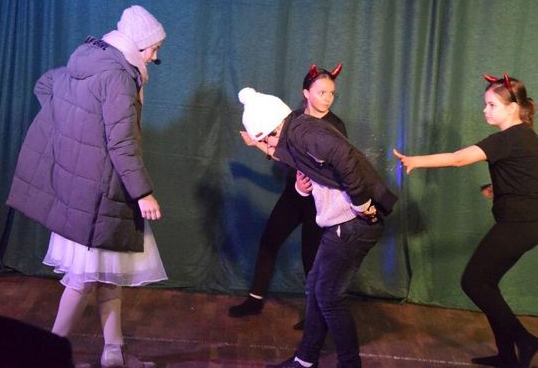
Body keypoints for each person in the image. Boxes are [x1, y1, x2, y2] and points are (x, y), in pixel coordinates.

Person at [6, 5, 168, 368]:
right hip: (100, 192)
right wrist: (143, 193)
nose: (155, 57)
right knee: (82, 278)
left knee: (108, 275)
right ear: (137, 44)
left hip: (83, 187)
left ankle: (114, 352)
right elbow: (122, 142)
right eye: (154, 49)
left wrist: (76, 126)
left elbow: (45, 84)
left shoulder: (87, 62)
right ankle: (45, 355)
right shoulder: (118, 77)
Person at [238, 84, 397, 368]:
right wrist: (301, 187)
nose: (270, 145)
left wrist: (361, 203)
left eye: (267, 138)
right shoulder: (294, 135)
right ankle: (305, 359)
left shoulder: (303, 131)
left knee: (328, 297)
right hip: (339, 225)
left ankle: (349, 364)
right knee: (315, 288)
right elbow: (297, 163)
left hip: (352, 224)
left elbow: (343, 154)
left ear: (275, 128)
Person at [393, 74, 538, 368]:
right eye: (485, 104)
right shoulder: (526, 136)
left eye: (491, 104)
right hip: (525, 223)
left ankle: (525, 340)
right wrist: (500, 188)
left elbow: (459, 159)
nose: (485, 110)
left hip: (520, 224)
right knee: (487, 283)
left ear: (512, 107)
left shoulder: (508, 138)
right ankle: (507, 355)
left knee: (474, 282)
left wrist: (416, 161)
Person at [228, 64, 347, 330]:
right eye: (322, 92)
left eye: (331, 93)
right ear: (306, 93)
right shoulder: (290, 119)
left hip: (318, 202)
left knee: (311, 256)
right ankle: (255, 300)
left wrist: (311, 180)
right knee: (269, 240)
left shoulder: (335, 126)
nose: (328, 98)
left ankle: (315, 314)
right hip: (294, 195)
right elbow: (285, 156)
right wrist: (258, 142)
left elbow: (335, 167)